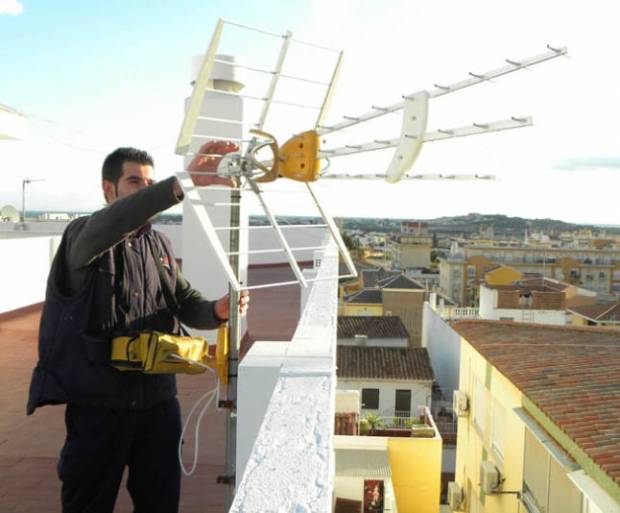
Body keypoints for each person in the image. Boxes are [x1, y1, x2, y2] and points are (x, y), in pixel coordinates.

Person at [26, 143, 249, 513]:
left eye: (149, 182)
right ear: (108, 189)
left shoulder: (158, 243)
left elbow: (184, 301)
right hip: (99, 409)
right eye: (135, 182)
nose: (144, 190)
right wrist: (180, 184)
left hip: (158, 405)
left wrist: (217, 310)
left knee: (160, 503)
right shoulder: (82, 238)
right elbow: (115, 222)